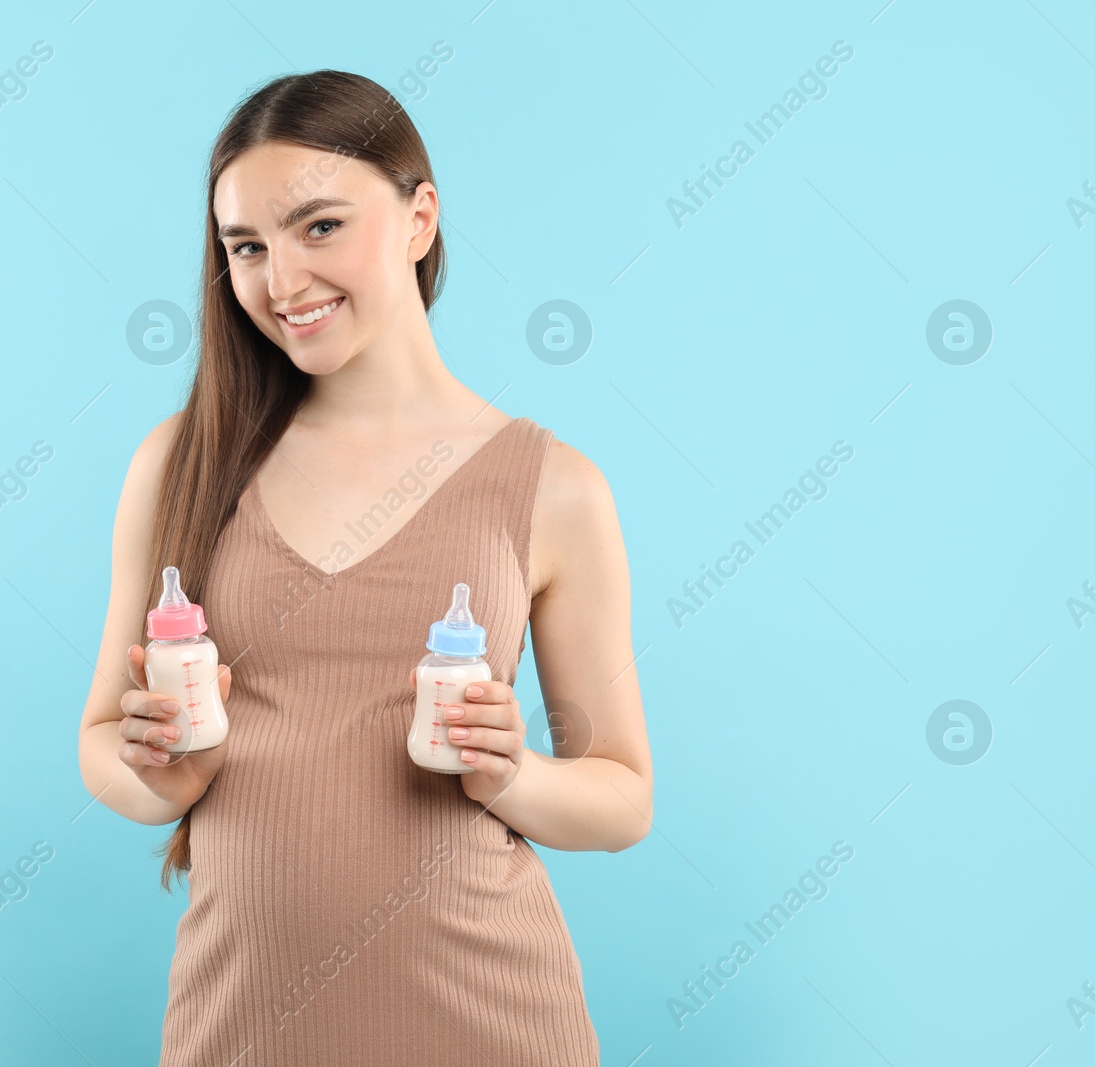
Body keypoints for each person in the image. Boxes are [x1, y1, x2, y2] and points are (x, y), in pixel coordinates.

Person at [77, 69, 651, 1066]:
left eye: (319, 227)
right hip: (243, 1027)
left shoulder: (554, 487)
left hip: (491, 1023)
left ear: (419, 216)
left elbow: (622, 797)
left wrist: (509, 774)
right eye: (245, 247)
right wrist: (162, 773)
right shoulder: (181, 462)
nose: (280, 281)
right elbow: (102, 749)